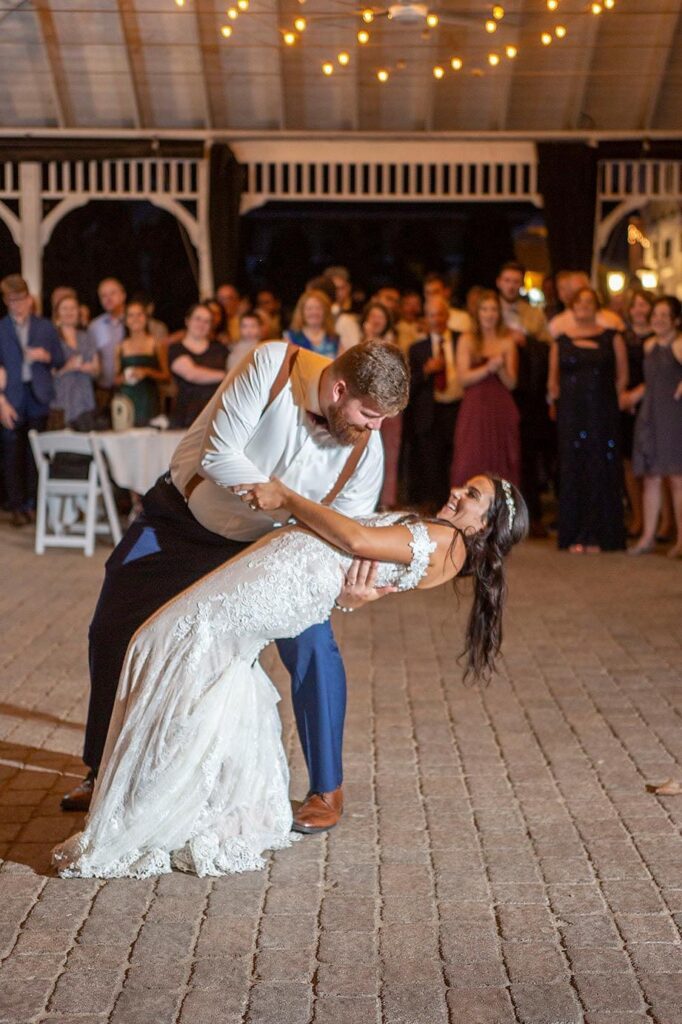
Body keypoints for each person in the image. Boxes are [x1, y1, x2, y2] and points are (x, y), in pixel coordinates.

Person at [52, 473, 528, 877]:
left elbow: (357, 541)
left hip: (284, 580)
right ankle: (194, 795)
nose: (458, 492)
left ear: (485, 524)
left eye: (472, 496)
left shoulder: (448, 542)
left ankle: (153, 801)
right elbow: (367, 567)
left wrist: (289, 500)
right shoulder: (444, 542)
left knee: (173, 640)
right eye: (465, 485)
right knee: (202, 656)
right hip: (284, 573)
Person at [59, 341, 409, 837]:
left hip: (270, 549)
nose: (376, 430)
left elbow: (342, 529)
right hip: (180, 521)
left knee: (313, 644)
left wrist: (347, 582)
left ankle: (327, 788)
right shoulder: (271, 366)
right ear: (338, 388)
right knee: (113, 624)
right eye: (370, 414)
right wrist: (293, 505)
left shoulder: (365, 450)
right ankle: (101, 769)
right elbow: (219, 455)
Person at [548, 286, 628, 553]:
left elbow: (622, 377)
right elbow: (553, 381)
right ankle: (574, 534)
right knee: (573, 469)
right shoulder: (561, 340)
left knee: (601, 468)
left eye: (589, 301)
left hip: (602, 413)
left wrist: (612, 406)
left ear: (597, 306)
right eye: (578, 301)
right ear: (571, 306)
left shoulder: (611, 337)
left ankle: (600, 535)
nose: (584, 305)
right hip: (572, 414)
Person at [0, 274, 64, 526]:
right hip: (11, 397)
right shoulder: (2, 328)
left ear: (29, 299)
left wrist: (44, 356)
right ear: (6, 301)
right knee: (11, 452)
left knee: (36, 452)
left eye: (22, 299)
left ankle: (35, 504)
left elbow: (58, 359)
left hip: (38, 395)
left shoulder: (45, 327)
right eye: (12, 300)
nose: (18, 305)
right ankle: (16, 506)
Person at [496, 261, 553, 537]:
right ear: (499, 282)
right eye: (507, 280)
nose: (511, 285)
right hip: (495, 389)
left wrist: (525, 341)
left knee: (526, 455)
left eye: (515, 281)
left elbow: (546, 348)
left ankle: (531, 515)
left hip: (526, 394)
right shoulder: (488, 309)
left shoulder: (533, 314)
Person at [451, 290, 521, 489]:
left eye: (493, 309)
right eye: (485, 309)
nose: (489, 314)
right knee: (470, 457)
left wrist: (500, 370)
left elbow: (512, 383)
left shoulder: (507, 341)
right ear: (478, 313)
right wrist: (487, 368)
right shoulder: (467, 339)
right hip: (475, 407)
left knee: (501, 458)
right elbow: (463, 378)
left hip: (501, 406)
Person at [629, 296, 682, 558]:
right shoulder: (649, 345)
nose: (658, 319)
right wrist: (632, 397)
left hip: (673, 415)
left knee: (676, 478)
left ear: (676, 320)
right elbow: (652, 381)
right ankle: (648, 536)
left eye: (664, 315)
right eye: (655, 314)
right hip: (650, 413)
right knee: (650, 476)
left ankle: (681, 539)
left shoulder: (679, 345)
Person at [404, 295, 463, 511]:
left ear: (447, 316)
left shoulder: (461, 340)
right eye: (431, 315)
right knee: (431, 460)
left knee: (455, 459)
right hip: (430, 412)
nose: (436, 319)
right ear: (426, 319)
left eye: (440, 314)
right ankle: (433, 505)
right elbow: (410, 384)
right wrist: (426, 371)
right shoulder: (417, 348)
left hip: (457, 408)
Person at [618, 290, 655, 538]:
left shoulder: (659, 337)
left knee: (654, 462)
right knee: (629, 461)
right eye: (635, 305)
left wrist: (637, 395)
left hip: (653, 401)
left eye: (644, 305)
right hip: (626, 403)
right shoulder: (623, 337)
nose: (639, 310)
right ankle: (638, 516)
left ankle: (662, 521)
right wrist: (624, 396)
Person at [168, 303, 227, 429]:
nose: (201, 324)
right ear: (187, 321)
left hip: (216, 416)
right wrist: (226, 375)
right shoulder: (176, 349)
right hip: (186, 416)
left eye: (207, 321)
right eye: (198, 319)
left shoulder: (220, 349)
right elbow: (191, 374)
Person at [114, 301, 170, 426]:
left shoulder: (156, 344)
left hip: (148, 398)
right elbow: (116, 379)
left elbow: (166, 376)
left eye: (139, 315)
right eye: (131, 315)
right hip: (127, 398)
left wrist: (147, 372)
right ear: (126, 320)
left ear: (146, 318)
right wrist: (123, 378)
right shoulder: (120, 346)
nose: (135, 319)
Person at [51, 294, 99, 429]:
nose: (69, 312)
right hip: (61, 400)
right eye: (65, 308)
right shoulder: (52, 337)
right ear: (57, 313)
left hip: (84, 399)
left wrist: (89, 368)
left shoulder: (86, 336)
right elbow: (47, 372)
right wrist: (68, 367)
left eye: (73, 308)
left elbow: (97, 369)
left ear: (79, 311)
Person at [87, 278, 126, 405]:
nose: (108, 298)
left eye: (112, 293)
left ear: (123, 295)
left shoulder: (135, 322)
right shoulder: (94, 326)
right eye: (104, 295)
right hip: (103, 391)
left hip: (131, 389)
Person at [285, 289, 339, 357]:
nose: (314, 312)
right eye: (309, 308)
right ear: (302, 312)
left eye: (318, 308)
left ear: (326, 311)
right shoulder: (290, 337)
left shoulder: (335, 338)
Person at [394, 290, 423, 356]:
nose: (412, 308)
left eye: (416, 304)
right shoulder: (395, 328)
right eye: (408, 304)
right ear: (400, 307)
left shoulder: (425, 327)